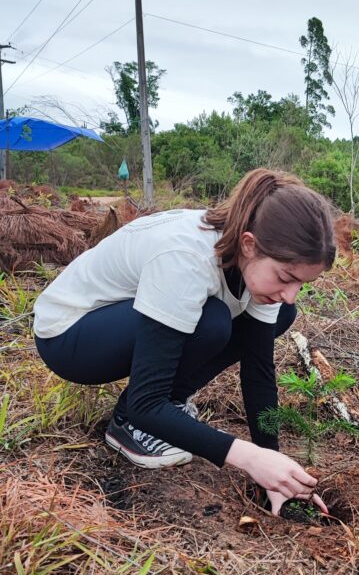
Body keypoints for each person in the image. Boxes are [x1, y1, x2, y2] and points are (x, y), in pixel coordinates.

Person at [34, 168, 336, 516]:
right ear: (250, 244)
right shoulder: (187, 257)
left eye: (302, 284)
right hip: (71, 336)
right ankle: (129, 426)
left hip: (126, 322)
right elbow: (146, 403)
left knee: (278, 316)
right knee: (211, 322)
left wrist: (273, 468)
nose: (289, 294)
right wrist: (248, 458)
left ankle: (168, 403)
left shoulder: (256, 267)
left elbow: (259, 372)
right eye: (285, 277)